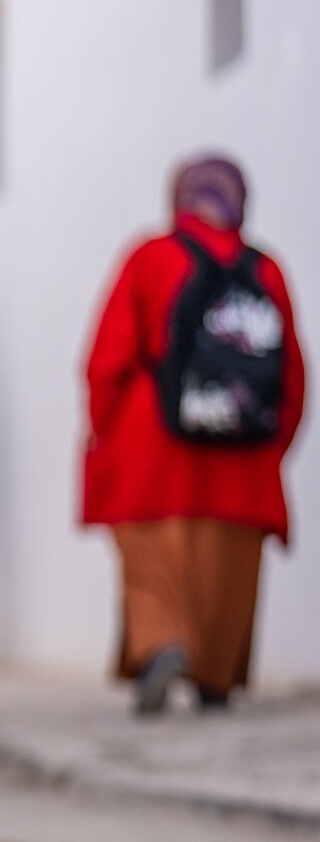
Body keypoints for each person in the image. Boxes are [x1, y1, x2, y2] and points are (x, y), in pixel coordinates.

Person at [82, 153, 305, 715]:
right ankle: (214, 674)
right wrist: (270, 448)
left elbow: (107, 359)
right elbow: (294, 377)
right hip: (244, 460)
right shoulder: (267, 270)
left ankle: (161, 645)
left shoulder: (150, 257)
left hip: (153, 449)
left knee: (155, 563)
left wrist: (106, 434)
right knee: (227, 573)